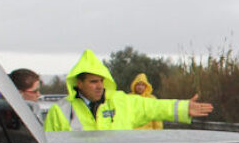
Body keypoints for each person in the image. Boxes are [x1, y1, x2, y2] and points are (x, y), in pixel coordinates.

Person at [43, 50, 214, 131]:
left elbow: (152, 107)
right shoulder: (60, 112)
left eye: (101, 81)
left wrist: (184, 108)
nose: (99, 86)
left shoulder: (121, 102)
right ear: (79, 83)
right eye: (93, 82)